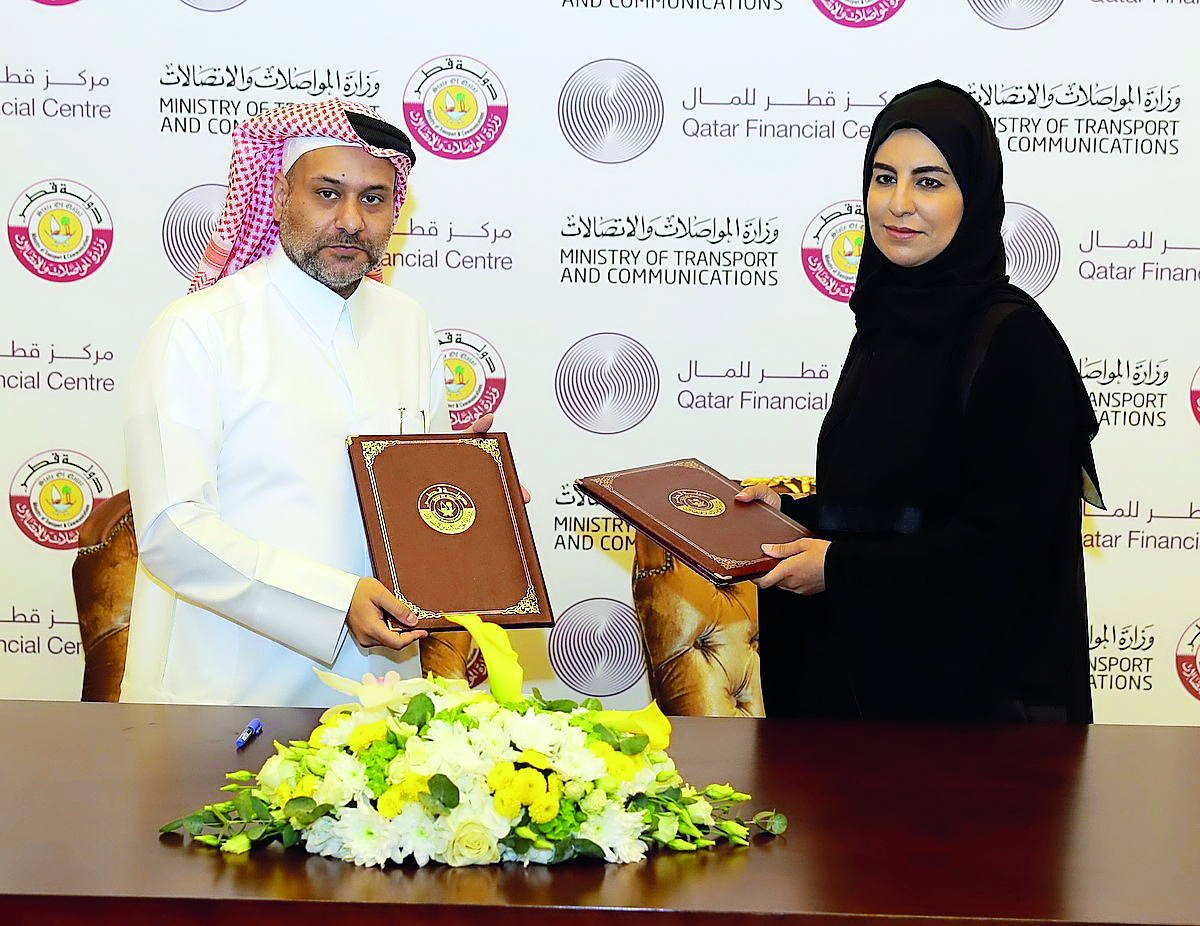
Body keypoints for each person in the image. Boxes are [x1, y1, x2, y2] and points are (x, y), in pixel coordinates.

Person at [736, 80, 1102, 723]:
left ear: (976, 197)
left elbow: (1007, 550)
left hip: (982, 728)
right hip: (872, 706)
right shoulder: (885, 324)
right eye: (884, 177)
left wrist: (843, 570)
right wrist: (793, 515)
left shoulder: (1013, 342)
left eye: (930, 182)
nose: (898, 204)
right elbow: (908, 505)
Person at [121, 99, 478, 706]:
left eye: (373, 199)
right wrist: (332, 600)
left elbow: (417, 498)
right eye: (327, 193)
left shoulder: (406, 323)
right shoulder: (200, 328)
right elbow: (171, 527)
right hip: (228, 692)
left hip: (382, 697)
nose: (350, 221)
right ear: (280, 194)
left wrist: (474, 503)